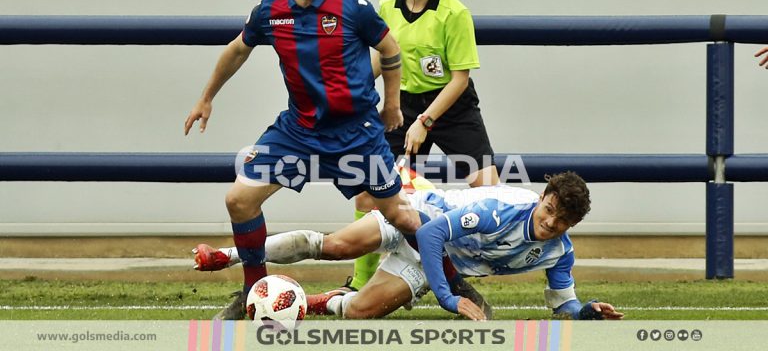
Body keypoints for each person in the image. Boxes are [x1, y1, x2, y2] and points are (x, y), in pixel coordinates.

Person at [183, 0, 422, 320]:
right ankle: (251, 292)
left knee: (400, 215)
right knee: (239, 200)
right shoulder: (270, 10)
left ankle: (452, 285)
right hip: (299, 130)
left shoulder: (352, 5)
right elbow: (237, 49)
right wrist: (206, 97)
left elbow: (390, 49)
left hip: (356, 132)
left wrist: (392, 106)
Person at [194, 171, 624, 321]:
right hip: (416, 217)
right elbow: (432, 234)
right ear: (543, 197)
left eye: (561, 220)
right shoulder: (503, 210)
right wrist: (448, 298)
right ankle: (229, 256)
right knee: (337, 247)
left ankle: (303, 302)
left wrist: (589, 309)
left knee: (360, 311)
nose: (549, 222)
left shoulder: (559, 253)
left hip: (441, 263)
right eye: (548, 209)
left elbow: (564, 307)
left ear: (573, 224)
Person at [348, 0, 500, 292]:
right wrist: (352, 94)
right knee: (370, 190)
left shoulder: (455, 13)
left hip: (451, 105)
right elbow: (382, 59)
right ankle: (360, 281)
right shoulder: (386, 7)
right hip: (401, 103)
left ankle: (460, 272)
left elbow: (460, 79)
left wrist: (425, 121)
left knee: (489, 190)